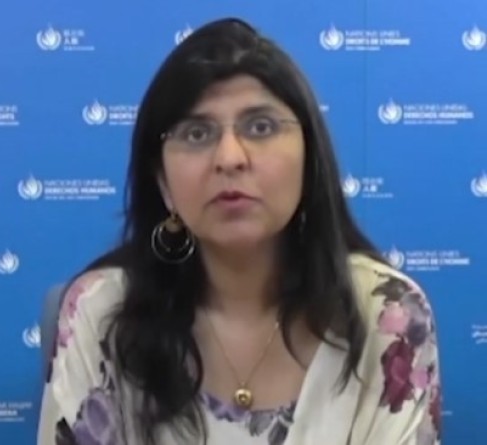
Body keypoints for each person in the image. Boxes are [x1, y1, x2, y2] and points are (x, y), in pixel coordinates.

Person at [37, 17, 441, 445]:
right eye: (197, 133)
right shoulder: (101, 314)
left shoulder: (388, 318)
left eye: (260, 127)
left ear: (310, 161)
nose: (230, 157)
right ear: (163, 183)